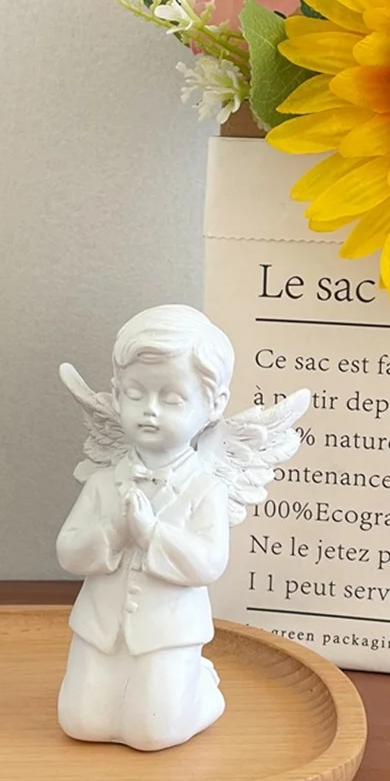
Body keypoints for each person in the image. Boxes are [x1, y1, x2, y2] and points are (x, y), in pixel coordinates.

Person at [57, 305, 235, 751]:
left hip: (167, 633)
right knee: (81, 723)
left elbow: (209, 563)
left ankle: (199, 686)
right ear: (116, 395)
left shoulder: (206, 488)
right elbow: (69, 551)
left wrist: (152, 534)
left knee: (154, 734)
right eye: (135, 394)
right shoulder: (104, 483)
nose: (149, 411)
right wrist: (114, 533)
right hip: (101, 628)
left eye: (171, 399)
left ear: (214, 404)